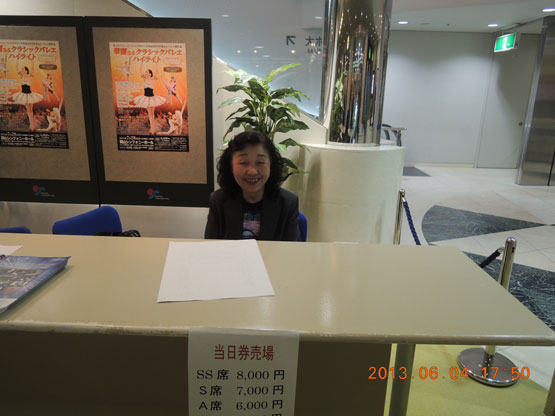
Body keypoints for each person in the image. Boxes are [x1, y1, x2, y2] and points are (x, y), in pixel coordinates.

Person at [204, 131, 300, 241]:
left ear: (271, 165)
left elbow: (292, 249)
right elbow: (211, 246)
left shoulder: (288, 203)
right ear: (230, 166)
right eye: (244, 163)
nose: (252, 171)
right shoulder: (218, 201)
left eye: (260, 162)